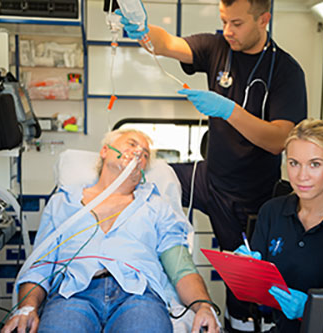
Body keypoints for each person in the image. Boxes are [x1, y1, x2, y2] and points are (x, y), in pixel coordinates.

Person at [117, 0, 307, 328]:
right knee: (152, 176)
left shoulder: (286, 72)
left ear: (264, 19)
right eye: (223, 22)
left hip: (250, 197)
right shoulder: (217, 47)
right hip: (209, 177)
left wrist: (229, 110)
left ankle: (240, 324)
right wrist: (145, 32)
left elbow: (280, 139)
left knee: (243, 291)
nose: (228, 31)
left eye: (237, 23)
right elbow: (169, 44)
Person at [1, 129, 220, 333]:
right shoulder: (64, 202)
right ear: (105, 151)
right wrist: (26, 308)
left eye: (144, 154)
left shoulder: (156, 207)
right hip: (72, 294)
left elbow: (180, 267)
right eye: (132, 144)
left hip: (139, 295)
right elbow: (41, 264)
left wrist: (203, 306)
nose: (137, 153)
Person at [235, 119, 323, 332]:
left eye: (314, 164)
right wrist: (244, 271)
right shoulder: (272, 212)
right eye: (294, 163)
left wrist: (311, 309)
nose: (302, 176)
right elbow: (258, 296)